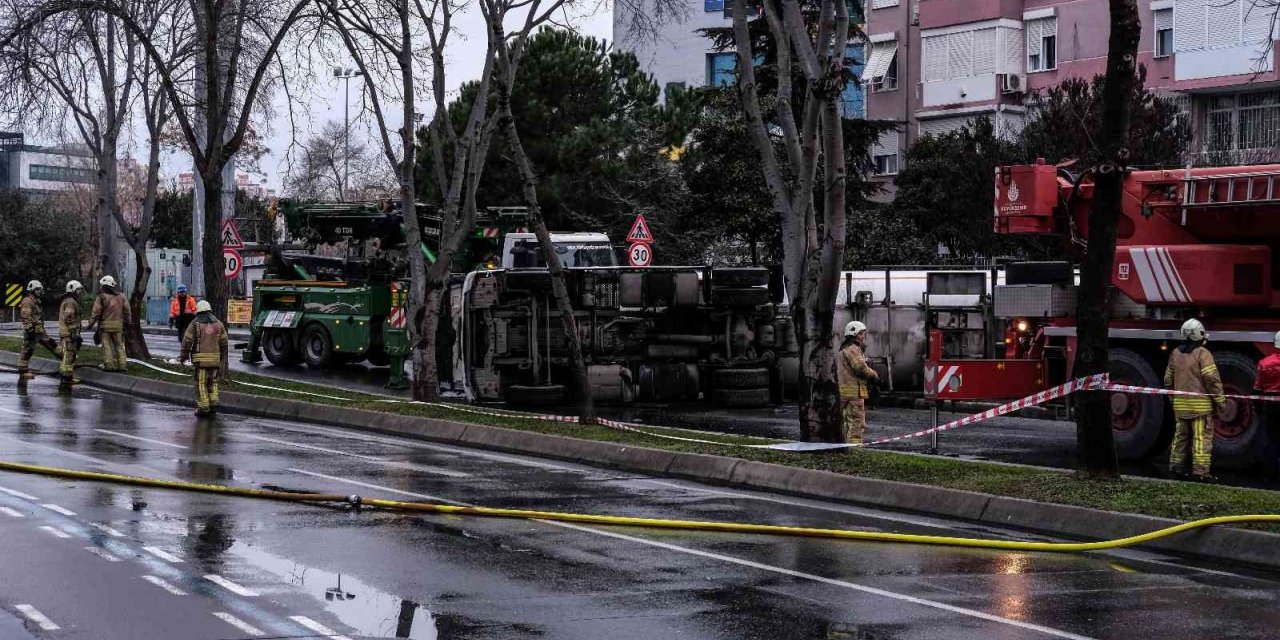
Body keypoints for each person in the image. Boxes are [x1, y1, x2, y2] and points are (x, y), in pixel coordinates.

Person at [1164, 318, 1226, 482]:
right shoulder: (1203, 354)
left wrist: (1173, 399)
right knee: (1201, 439)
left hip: (1180, 406)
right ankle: (1200, 473)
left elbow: (1168, 380)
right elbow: (1211, 379)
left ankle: (1176, 467)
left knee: (1180, 437)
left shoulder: (1175, 353)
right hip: (1201, 408)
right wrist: (1220, 401)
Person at [180, 300, 229, 416]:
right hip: (215, 360)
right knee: (213, 382)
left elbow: (187, 340)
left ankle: (203, 408)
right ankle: (214, 404)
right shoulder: (218, 324)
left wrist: (183, 356)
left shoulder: (195, 324)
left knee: (201, 383)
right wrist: (221, 356)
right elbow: (224, 342)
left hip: (201, 361)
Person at [837, 320, 879, 445]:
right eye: (860, 334)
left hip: (844, 392)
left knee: (846, 423)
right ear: (853, 335)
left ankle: (846, 445)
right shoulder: (853, 349)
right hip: (854, 393)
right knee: (857, 422)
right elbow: (860, 367)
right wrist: (874, 375)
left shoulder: (843, 349)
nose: (863, 336)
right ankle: (855, 447)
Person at [17, 280, 60, 380]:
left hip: (39, 331)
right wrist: (30, 330)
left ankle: (66, 361)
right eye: (37, 289)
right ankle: (23, 370)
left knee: (52, 344)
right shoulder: (28, 301)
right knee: (27, 350)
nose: (40, 291)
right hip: (32, 331)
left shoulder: (36, 301)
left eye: (40, 289)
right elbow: (25, 316)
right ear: (32, 290)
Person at [87, 275, 130, 372]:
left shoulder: (101, 297)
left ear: (104, 286)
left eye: (101, 286)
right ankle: (122, 366)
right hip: (118, 326)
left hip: (105, 327)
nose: (101, 288)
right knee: (119, 346)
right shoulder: (122, 296)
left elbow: (96, 313)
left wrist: (90, 325)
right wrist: (128, 322)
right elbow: (127, 311)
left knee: (106, 346)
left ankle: (109, 365)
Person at [1254, 331, 1280, 480]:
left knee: (1270, 438)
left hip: (1270, 404)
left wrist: (1256, 406)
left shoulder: (1264, 363)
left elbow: (1257, 388)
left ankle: (1269, 474)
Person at [58, 281, 85, 385]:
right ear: (73, 289)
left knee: (68, 355)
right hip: (69, 333)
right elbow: (68, 316)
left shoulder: (68, 300)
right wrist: (74, 331)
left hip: (66, 332)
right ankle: (66, 377)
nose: (80, 291)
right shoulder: (71, 302)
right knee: (69, 355)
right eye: (78, 289)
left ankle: (65, 375)